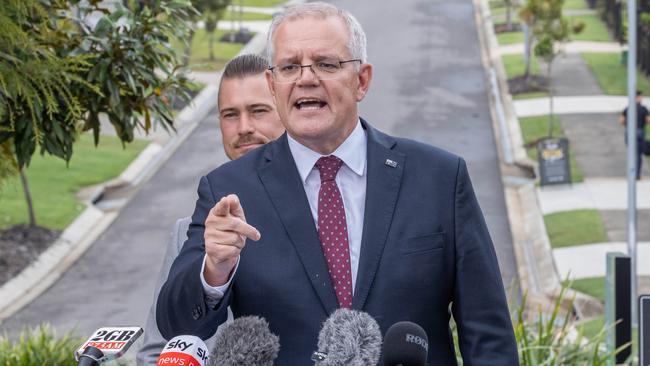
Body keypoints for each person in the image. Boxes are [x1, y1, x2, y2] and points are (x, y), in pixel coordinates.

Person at [157, 3, 518, 365]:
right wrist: (214, 270)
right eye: (289, 66)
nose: (306, 78)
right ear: (272, 84)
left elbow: (488, 335)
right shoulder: (228, 190)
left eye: (326, 64)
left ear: (361, 80)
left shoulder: (439, 177)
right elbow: (176, 323)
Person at [136, 53, 284, 366]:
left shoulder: (326, 217)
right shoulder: (187, 232)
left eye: (258, 111)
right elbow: (155, 352)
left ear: (285, 109)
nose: (244, 127)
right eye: (230, 114)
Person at [619, 90, 650, 180]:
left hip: (629, 132)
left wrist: (627, 124)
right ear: (638, 97)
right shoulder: (644, 109)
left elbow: (621, 120)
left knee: (632, 154)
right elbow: (648, 120)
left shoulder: (628, 108)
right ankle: (637, 174)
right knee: (638, 155)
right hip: (640, 132)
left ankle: (631, 173)